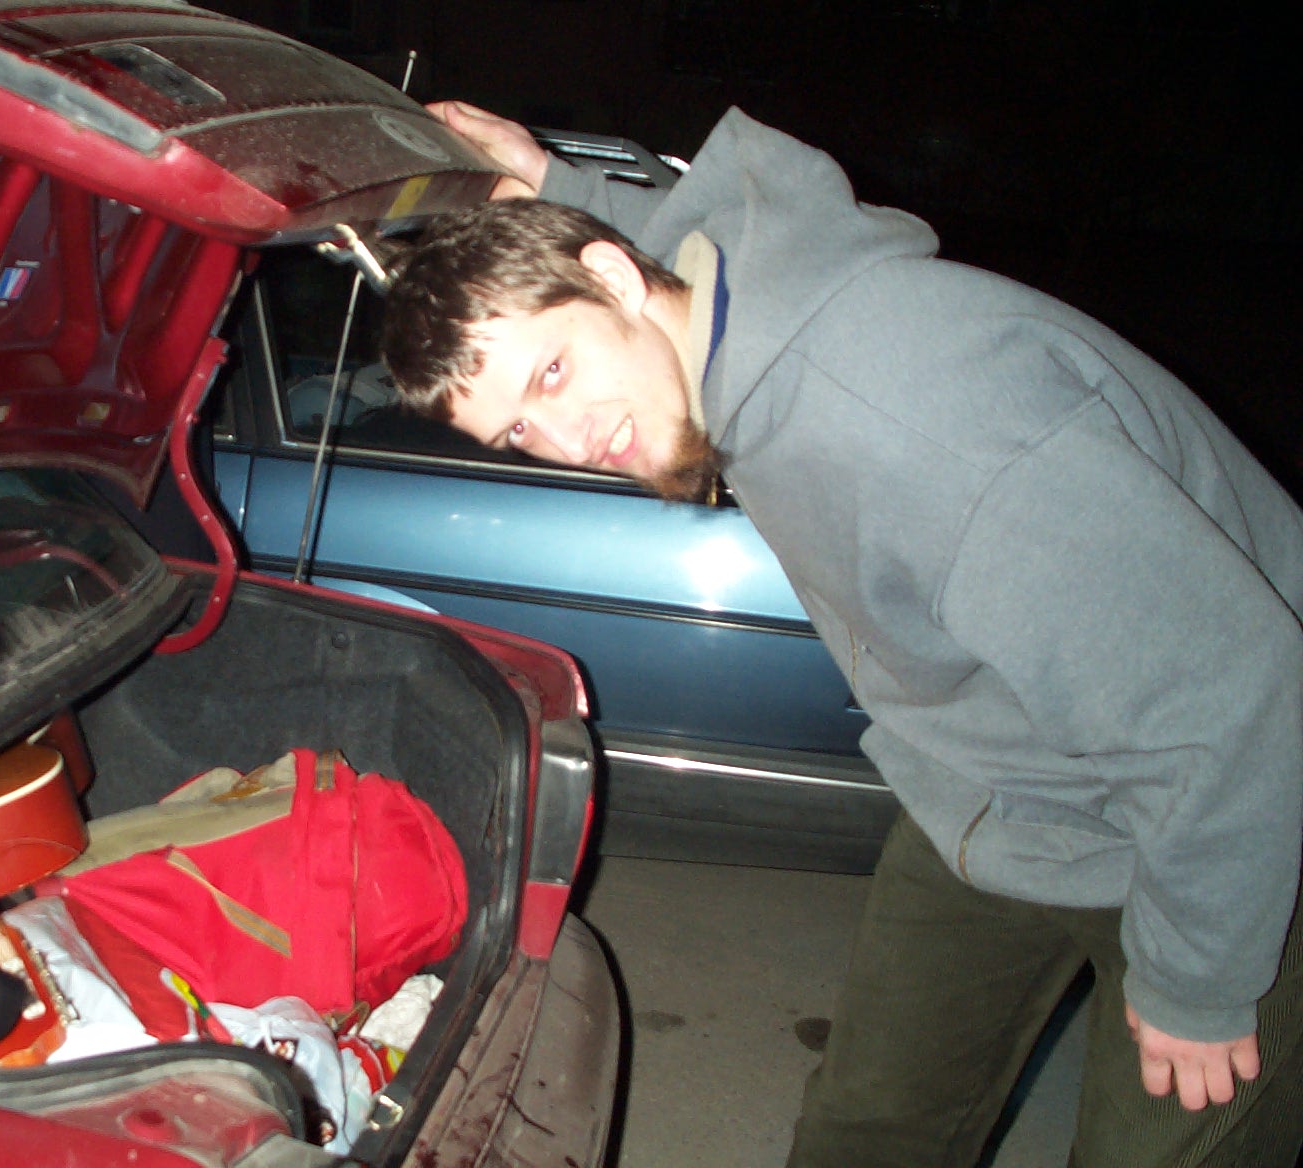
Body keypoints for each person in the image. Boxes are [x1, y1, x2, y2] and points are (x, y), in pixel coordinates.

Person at [380, 100, 1303, 1167]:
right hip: (999, 786)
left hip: (1232, 824)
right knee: (863, 1135)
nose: (568, 436)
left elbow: (1233, 697)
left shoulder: (919, 424)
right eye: (518, 428)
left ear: (616, 280)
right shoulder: (725, 313)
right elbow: (698, 231)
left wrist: (1198, 984)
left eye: (551, 373)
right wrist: (552, 185)